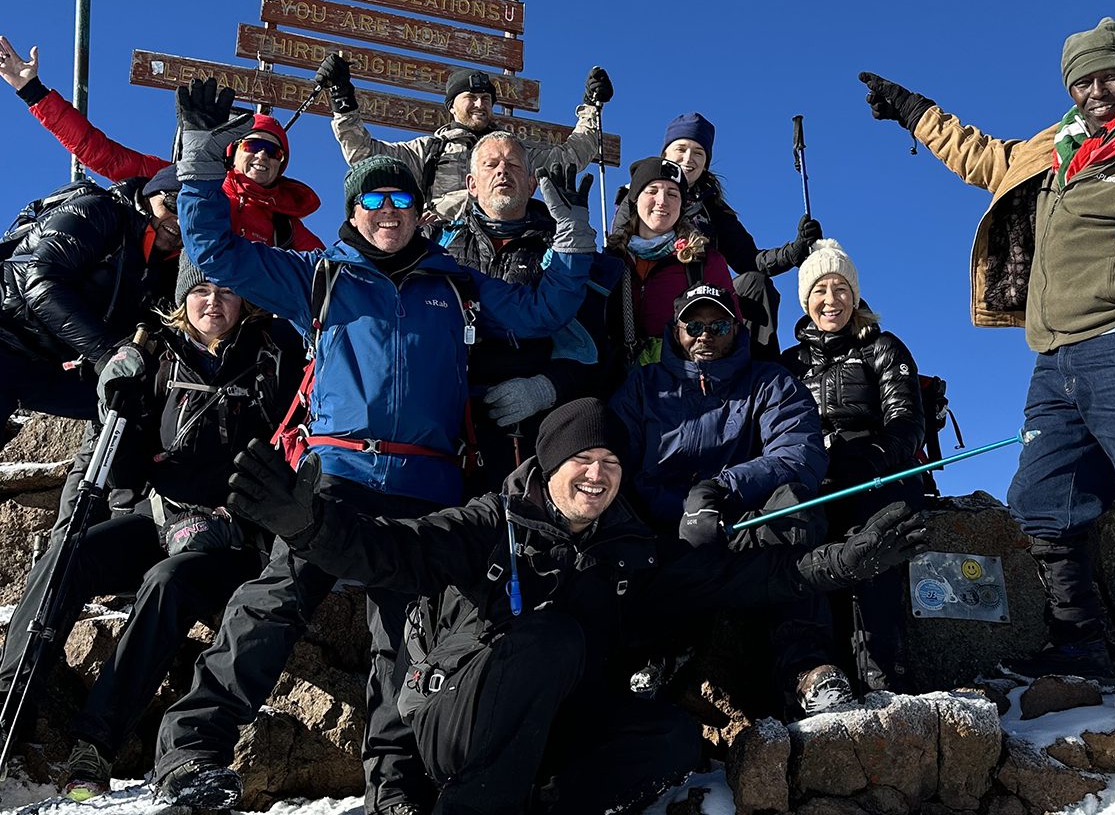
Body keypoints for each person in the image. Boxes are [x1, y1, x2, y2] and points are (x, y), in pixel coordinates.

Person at [149, 82, 598, 815]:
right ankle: (192, 753)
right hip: (336, 473)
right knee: (272, 604)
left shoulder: (458, 285)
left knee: (408, 639)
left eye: (401, 202)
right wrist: (199, 155)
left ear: (423, 211)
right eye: (373, 202)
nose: (388, 214)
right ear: (354, 211)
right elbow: (215, 251)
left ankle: (394, 785)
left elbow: (547, 306)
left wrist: (572, 228)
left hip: (426, 485)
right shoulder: (318, 277)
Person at [221, 397, 929, 815]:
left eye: (611, 465)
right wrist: (307, 525)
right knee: (553, 637)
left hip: (554, 730)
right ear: (550, 464)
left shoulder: (632, 553)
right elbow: (387, 551)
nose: (596, 474)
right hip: (455, 724)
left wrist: (847, 560)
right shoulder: (483, 525)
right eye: (581, 461)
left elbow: (743, 578)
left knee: (671, 738)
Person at [858, 17, 1115, 713]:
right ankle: (1082, 640)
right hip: (1052, 359)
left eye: (1109, 75)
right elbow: (981, 156)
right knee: (1042, 500)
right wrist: (915, 114)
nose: (1096, 89)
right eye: (1082, 79)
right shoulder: (1052, 150)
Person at [0, 255, 302, 798]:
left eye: (228, 292)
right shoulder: (157, 357)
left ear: (245, 303)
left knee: (170, 581)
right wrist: (114, 399)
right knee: (74, 552)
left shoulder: (270, 359)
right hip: (159, 517)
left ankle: (95, 744)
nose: (214, 302)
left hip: (232, 535)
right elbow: (124, 469)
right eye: (202, 289)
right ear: (183, 298)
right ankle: (9, 697)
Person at [610, 283, 847, 715]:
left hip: (740, 524)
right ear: (675, 330)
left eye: (718, 324)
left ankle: (805, 667)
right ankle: (659, 658)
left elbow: (801, 453)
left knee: (795, 501)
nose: (704, 334)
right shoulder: (642, 386)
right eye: (693, 325)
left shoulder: (769, 381)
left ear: (736, 329)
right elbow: (612, 456)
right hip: (662, 530)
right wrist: (671, 509)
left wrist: (720, 490)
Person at [0, 42, 323, 250]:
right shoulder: (177, 178)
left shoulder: (284, 227)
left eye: (275, 152)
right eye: (253, 145)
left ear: (282, 165)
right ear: (233, 149)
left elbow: (337, 269)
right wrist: (32, 91)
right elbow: (101, 153)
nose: (262, 156)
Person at [781, 239, 927, 693]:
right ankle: (814, 676)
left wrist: (874, 459)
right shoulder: (789, 363)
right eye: (821, 289)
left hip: (875, 470)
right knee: (798, 541)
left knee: (877, 540)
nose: (831, 300)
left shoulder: (881, 347)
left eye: (841, 288)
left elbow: (907, 419)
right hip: (815, 474)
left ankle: (883, 675)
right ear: (807, 300)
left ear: (855, 295)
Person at [437, 131, 619, 491]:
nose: (502, 171)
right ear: (472, 184)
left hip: (536, 433)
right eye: (491, 164)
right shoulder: (439, 246)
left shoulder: (568, 248)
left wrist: (546, 388)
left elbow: (598, 351)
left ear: (534, 183)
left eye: (514, 164)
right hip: (447, 426)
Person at [611, 112, 822, 357]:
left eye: (698, 153)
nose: (688, 159)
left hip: (703, 297)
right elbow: (621, 245)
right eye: (681, 149)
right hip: (648, 297)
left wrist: (793, 251)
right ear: (665, 154)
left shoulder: (712, 209)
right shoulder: (639, 195)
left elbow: (749, 260)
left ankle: (760, 371)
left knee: (755, 283)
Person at [0, 165, 182, 433]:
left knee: (136, 407)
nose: (180, 222)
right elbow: (42, 285)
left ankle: (94, 475)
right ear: (149, 195)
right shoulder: (97, 210)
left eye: (193, 215)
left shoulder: (166, 270)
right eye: (174, 203)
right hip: (6, 338)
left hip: (46, 365)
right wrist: (108, 353)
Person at [321, 52, 605, 222]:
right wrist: (341, 99)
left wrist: (591, 107)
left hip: (502, 247)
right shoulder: (429, 150)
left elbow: (569, 158)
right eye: (471, 97)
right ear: (452, 106)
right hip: (443, 252)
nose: (480, 104)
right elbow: (366, 157)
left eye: (486, 98)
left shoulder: (512, 152)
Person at [605, 157, 738, 372]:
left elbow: (732, 333)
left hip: (687, 380)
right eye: (652, 191)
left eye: (672, 194)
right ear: (635, 199)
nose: (662, 200)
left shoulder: (705, 262)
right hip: (620, 381)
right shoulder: (611, 260)